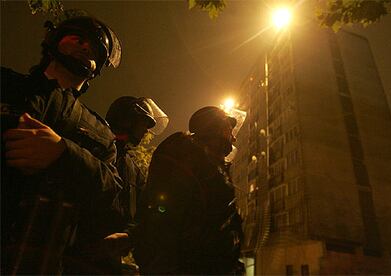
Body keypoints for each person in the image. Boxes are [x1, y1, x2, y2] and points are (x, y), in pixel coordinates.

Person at [1, 15, 123, 274]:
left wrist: (63, 153)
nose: (84, 47)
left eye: (95, 48)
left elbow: (111, 196)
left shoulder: (100, 132)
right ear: (54, 41)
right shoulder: (7, 85)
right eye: (77, 39)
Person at [130, 105, 247, 274]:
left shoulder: (208, 166)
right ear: (219, 130)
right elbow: (162, 221)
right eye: (229, 130)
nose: (233, 139)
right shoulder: (188, 160)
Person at [105, 96, 168, 272]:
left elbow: (145, 210)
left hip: (113, 253)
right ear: (126, 120)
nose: (145, 132)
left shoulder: (132, 168)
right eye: (143, 124)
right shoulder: (97, 148)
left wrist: (130, 235)